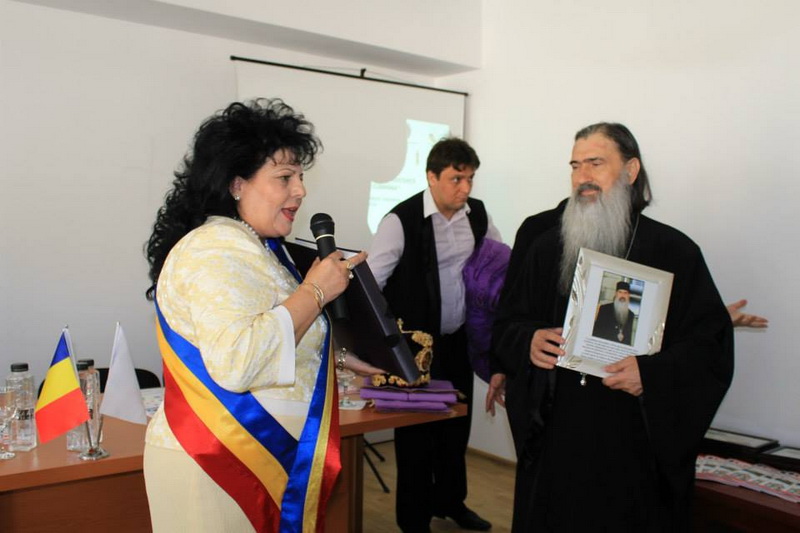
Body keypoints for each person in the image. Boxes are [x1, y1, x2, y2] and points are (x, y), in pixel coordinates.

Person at [142, 99, 378, 532]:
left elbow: (274, 336)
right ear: (237, 184)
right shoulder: (217, 248)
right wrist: (317, 291)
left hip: (245, 464)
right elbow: (240, 360)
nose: (300, 191)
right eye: (285, 177)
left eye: (300, 177)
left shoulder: (256, 248)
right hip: (217, 465)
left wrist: (341, 359)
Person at [492, 122, 734, 531]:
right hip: (559, 438)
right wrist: (528, 339)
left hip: (632, 443)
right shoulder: (547, 248)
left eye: (595, 163)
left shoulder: (674, 251)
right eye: (575, 166)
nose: (582, 176)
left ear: (630, 170)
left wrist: (651, 374)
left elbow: (710, 346)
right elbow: (508, 324)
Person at [369, 138, 500, 532]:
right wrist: (382, 347)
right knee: (416, 436)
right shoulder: (400, 220)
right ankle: (414, 520)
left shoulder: (477, 214)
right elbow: (372, 284)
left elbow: (497, 263)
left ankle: (450, 502)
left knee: (455, 429)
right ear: (431, 177)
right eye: (457, 179)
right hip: (416, 347)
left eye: (470, 179)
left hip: (459, 340)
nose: (465, 188)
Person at [592, 280, 636, 345]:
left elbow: (628, 339)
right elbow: (596, 333)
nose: (622, 295)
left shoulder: (631, 315)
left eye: (625, 293)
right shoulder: (604, 309)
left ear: (628, 295)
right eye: (620, 292)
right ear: (616, 294)